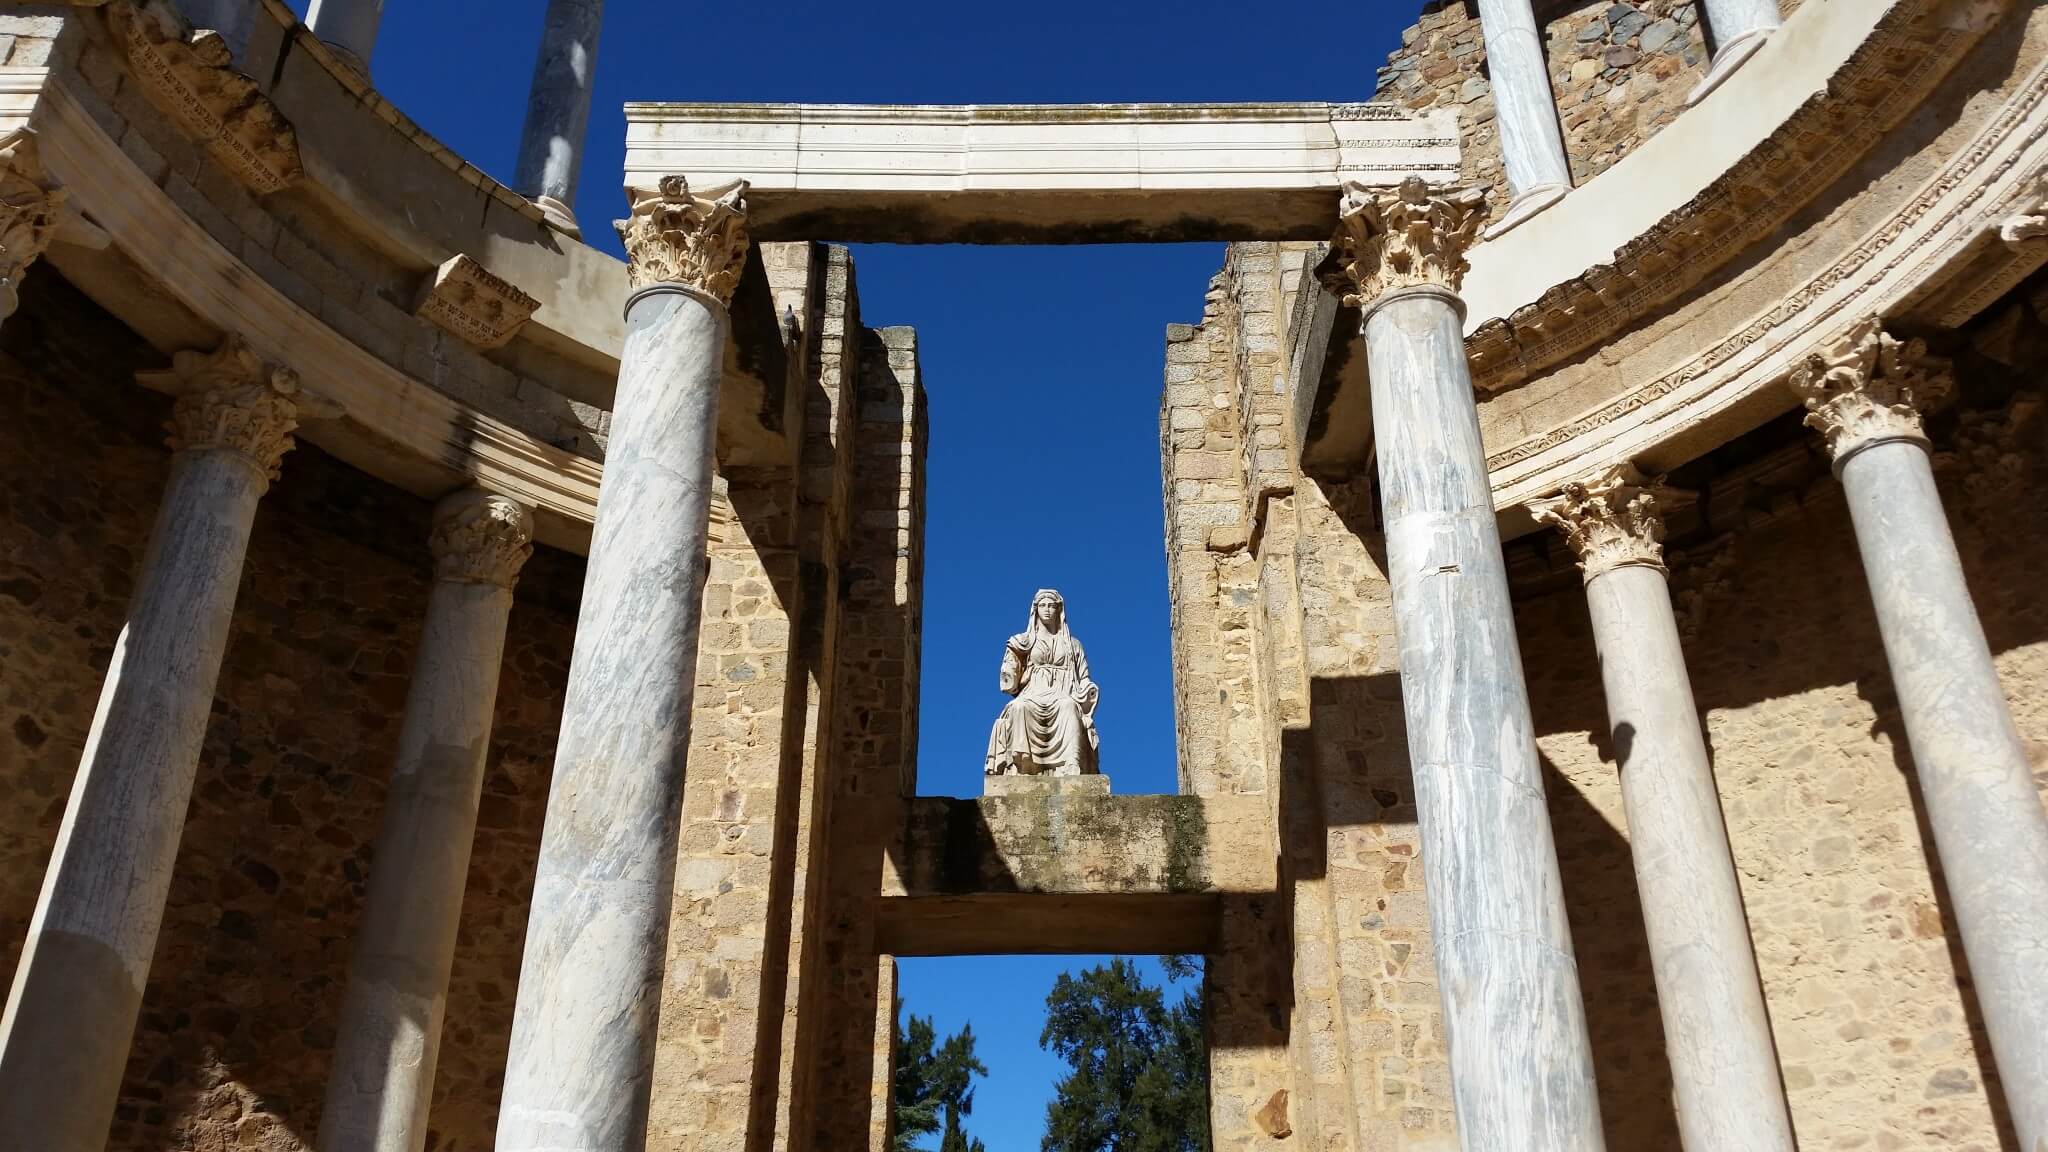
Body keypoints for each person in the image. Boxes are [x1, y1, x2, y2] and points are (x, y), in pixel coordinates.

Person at [985, 589, 1101, 777]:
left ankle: (1071, 764)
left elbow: (1084, 677)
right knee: (1019, 707)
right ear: (1036, 609)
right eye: (1043, 605)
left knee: (1069, 707)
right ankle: (1023, 764)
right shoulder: (1024, 641)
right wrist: (1010, 668)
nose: (1047, 609)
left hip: (1063, 693)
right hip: (1032, 692)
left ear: (1058, 609)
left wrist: (1089, 688)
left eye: (1051, 606)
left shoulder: (1073, 645)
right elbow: (1010, 675)